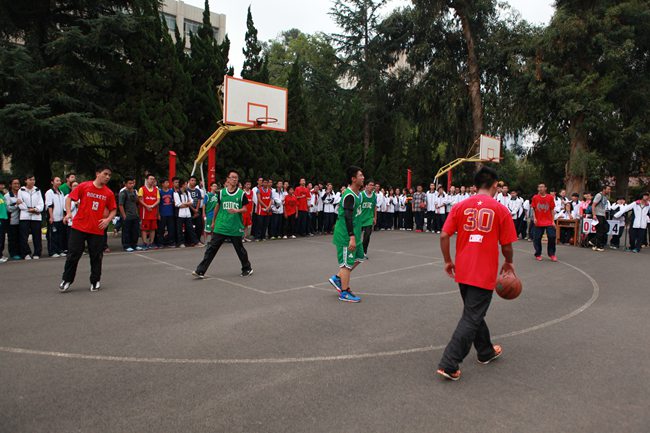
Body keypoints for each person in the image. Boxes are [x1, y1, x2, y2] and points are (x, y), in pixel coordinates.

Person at [436, 167, 517, 381]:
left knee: (473, 312)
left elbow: (444, 235)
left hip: (463, 269)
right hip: (483, 271)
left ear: (475, 185)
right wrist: (509, 262)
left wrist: (447, 261)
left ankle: (485, 351)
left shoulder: (460, 206)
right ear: (495, 185)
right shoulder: (500, 209)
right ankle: (449, 363)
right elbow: (506, 245)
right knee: (472, 316)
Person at [59, 164, 117, 293]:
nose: (107, 177)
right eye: (105, 174)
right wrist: (68, 213)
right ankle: (67, 279)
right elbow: (69, 199)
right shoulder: (84, 186)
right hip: (79, 227)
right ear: (97, 173)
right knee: (73, 255)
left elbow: (113, 209)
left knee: (96, 256)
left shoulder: (108, 193)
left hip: (97, 229)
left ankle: (95, 281)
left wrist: (107, 220)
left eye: (109, 175)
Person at [192, 170, 253, 278]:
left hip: (234, 226)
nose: (234, 179)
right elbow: (217, 207)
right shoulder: (221, 193)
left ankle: (247, 268)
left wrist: (237, 210)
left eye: (236, 177)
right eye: (232, 177)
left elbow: (245, 209)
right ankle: (200, 270)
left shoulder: (241, 194)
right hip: (221, 225)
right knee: (211, 248)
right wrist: (213, 221)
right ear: (228, 179)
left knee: (240, 249)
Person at [328, 166, 365, 303]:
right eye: (360, 175)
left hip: (355, 233)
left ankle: (338, 278)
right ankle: (344, 292)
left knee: (359, 257)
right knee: (346, 265)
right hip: (346, 235)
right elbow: (347, 217)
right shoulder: (349, 195)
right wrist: (352, 237)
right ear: (353, 179)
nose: (363, 177)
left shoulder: (357, 194)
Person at [18, 175, 44, 260]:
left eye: (33, 179)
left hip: (36, 216)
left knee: (37, 236)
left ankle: (37, 252)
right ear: (26, 181)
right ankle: (26, 253)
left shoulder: (37, 190)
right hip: (25, 216)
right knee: (24, 236)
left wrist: (36, 209)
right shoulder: (21, 190)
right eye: (30, 179)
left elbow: (41, 203)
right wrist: (29, 209)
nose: (32, 181)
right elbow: (20, 203)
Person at [531, 183, 558, 262]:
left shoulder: (550, 197)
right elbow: (533, 209)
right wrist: (534, 218)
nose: (541, 188)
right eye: (539, 187)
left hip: (548, 221)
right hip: (539, 221)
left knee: (552, 236)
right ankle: (538, 254)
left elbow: (552, 209)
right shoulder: (535, 197)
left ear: (545, 188)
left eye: (542, 187)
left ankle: (552, 254)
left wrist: (553, 221)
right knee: (537, 238)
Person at [45, 176, 66, 257]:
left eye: (59, 181)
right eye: (57, 181)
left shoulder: (61, 193)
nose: (59, 182)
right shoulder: (49, 192)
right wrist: (51, 216)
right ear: (52, 182)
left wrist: (63, 216)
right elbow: (49, 205)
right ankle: (52, 251)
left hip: (60, 217)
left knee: (60, 235)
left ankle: (60, 250)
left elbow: (63, 205)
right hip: (53, 217)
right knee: (52, 235)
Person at [174, 179, 199, 248]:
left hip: (187, 214)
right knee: (179, 229)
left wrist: (185, 203)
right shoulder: (176, 193)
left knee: (190, 228)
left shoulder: (187, 193)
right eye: (185, 184)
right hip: (180, 214)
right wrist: (187, 204)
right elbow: (178, 204)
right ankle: (180, 242)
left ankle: (195, 241)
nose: (187, 185)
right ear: (182, 185)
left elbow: (192, 201)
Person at [137, 174, 160, 249]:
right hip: (145, 213)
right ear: (147, 180)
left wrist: (152, 206)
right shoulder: (142, 189)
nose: (152, 180)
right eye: (151, 179)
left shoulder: (156, 189)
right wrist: (146, 206)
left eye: (153, 179)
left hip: (153, 212)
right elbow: (140, 199)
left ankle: (151, 242)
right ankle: (145, 243)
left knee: (153, 228)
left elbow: (158, 200)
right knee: (144, 229)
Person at [118, 177, 140, 252]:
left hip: (135, 215)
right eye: (130, 183)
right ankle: (126, 245)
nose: (132, 185)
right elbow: (120, 205)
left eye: (132, 183)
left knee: (135, 231)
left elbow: (137, 201)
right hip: (127, 215)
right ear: (125, 184)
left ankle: (134, 244)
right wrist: (124, 215)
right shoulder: (123, 193)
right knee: (126, 231)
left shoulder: (134, 192)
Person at [4, 178, 22, 260]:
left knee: (20, 238)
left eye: (18, 183)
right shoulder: (7, 196)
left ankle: (21, 252)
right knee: (12, 238)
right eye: (15, 183)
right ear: (10, 185)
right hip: (12, 220)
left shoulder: (21, 194)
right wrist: (16, 204)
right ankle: (13, 253)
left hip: (22, 220)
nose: (17, 185)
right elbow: (8, 208)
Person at [591, 185, 611, 252]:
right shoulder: (599, 195)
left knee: (606, 228)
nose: (609, 191)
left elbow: (604, 206)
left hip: (602, 214)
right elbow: (593, 205)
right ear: (604, 189)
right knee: (600, 230)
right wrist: (594, 214)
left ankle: (594, 241)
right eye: (608, 189)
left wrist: (604, 214)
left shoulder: (606, 197)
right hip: (597, 214)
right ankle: (598, 245)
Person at [360, 180, 377, 259]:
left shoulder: (374, 196)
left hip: (369, 219)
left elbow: (374, 207)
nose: (372, 186)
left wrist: (375, 217)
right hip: (360, 218)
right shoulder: (361, 195)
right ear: (366, 186)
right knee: (356, 236)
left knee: (367, 236)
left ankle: (364, 252)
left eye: (373, 185)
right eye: (370, 185)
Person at [158, 179, 176, 247]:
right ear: (162, 184)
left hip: (170, 213)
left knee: (171, 229)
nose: (167, 184)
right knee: (161, 229)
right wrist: (158, 214)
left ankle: (171, 242)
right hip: (162, 213)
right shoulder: (160, 192)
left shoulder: (171, 191)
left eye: (168, 182)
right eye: (166, 182)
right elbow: (158, 204)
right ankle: (160, 242)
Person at [187, 176, 204, 245]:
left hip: (197, 209)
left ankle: (198, 239)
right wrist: (193, 210)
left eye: (194, 180)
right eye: (192, 180)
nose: (193, 182)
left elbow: (199, 200)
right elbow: (187, 201)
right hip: (189, 209)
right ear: (189, 181)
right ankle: (190, 241)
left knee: (199, 225)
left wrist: (196, 209)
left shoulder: (198, 190)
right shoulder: (187, 190)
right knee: (190, 226)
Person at [0, 184, 7, 263]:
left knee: (2, 237)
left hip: (3, 218)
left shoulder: (2, 195)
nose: (2, 186)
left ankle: (1, 254)